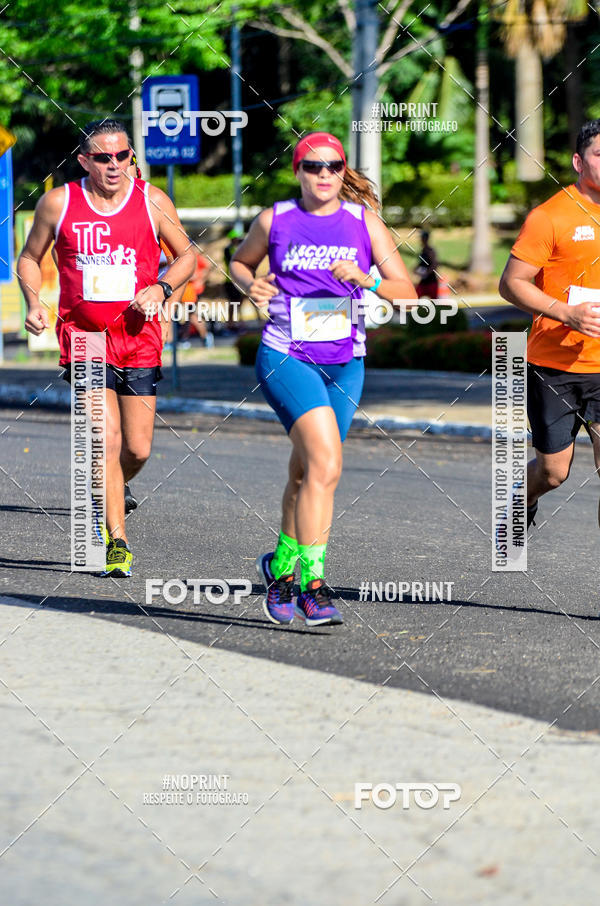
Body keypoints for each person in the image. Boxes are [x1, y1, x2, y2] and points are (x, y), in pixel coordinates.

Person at [230, 131, 417, 626]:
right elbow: (240, 262)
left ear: (342, 170)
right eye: (313, 166)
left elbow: (408, 294)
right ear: (297, 171)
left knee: (306, 473)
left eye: (334, 166)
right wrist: (251, 285)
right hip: (287, 356)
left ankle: (279, 567)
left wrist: (367, 279)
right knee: (327, 465)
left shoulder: (364, 222)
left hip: (345, 363)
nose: (324, 174)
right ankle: (310, 587)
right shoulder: (274, 219)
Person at [19, 119, 195, 576]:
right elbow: (30, 257)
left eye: (122, 156)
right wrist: (34, 303)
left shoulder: (152, 200)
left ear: (131, 157)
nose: (114, 165)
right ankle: (116, 540)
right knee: (106, 440)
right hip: (86, 339)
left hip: (139, 339)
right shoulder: (60, 203)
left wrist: (162, 289)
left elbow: (188, 256)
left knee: (137, 450)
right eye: (103, 157)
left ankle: (110, 489)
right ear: (84, 161)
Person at [499, 118, 600, 532]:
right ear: (579, 161)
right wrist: (566, 313)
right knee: (554, 472)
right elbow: (511, 284)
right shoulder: (550, 216)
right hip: (555, 367)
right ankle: (522, 498)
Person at [414, 229, 439, 299]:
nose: (420, 240)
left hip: (431, 281)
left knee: (435, 302)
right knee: (415, 297)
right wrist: (415, 269)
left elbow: (434, 264)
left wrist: (427, 272)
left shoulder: (430, 251)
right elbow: (421, 263)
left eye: (422, 238)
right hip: (424, 281)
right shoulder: (423, 251)